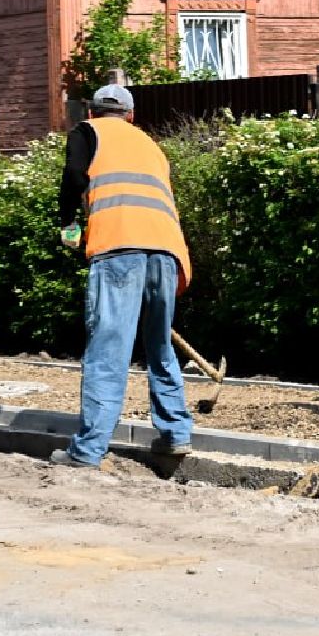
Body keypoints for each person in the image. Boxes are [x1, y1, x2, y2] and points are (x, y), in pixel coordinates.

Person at [47, 84, 195, 468]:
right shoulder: (151, 144)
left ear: (92, 112)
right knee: (159, 346)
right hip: (166, 251)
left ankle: (88, 450)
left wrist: (68, 223)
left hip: (118, 249)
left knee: (107, 350)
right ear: (131, 115)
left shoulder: (87, 132)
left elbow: (74, 177)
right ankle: (175, 434)